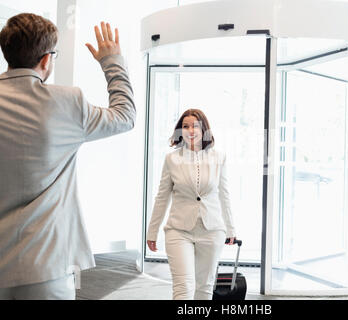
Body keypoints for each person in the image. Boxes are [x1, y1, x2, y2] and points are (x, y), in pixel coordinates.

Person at [0, 14, 135, 300]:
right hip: (47, 267)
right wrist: (112, 62)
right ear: (46, 60)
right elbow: (124, 115)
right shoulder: (67, 102)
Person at [147, 109, 237, 300]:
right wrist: (152, 231)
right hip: (179, 230)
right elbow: (162, 197)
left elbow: (224, 195)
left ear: (203, 128)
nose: (190, 130)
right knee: (184, 287)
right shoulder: (172, 159)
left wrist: (230, 228)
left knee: (204, 287)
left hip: (212, 230)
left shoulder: (218, 157)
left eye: (195, 125)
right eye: (185, 126)